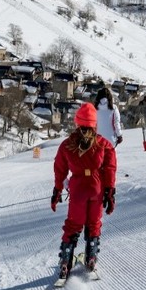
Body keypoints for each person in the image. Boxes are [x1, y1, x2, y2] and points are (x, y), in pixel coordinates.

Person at [51, 102, 117, 280]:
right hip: (96, 189)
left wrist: (57, 190)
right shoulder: (103, 144)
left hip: (78, 189)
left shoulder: (67, 145)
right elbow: (110, 168)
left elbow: (59, 169)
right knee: (94, 224)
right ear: (94, 123)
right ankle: (91, 258)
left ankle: (65, 260)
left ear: (77, 122)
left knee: (73, 225)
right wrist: (110, 191)